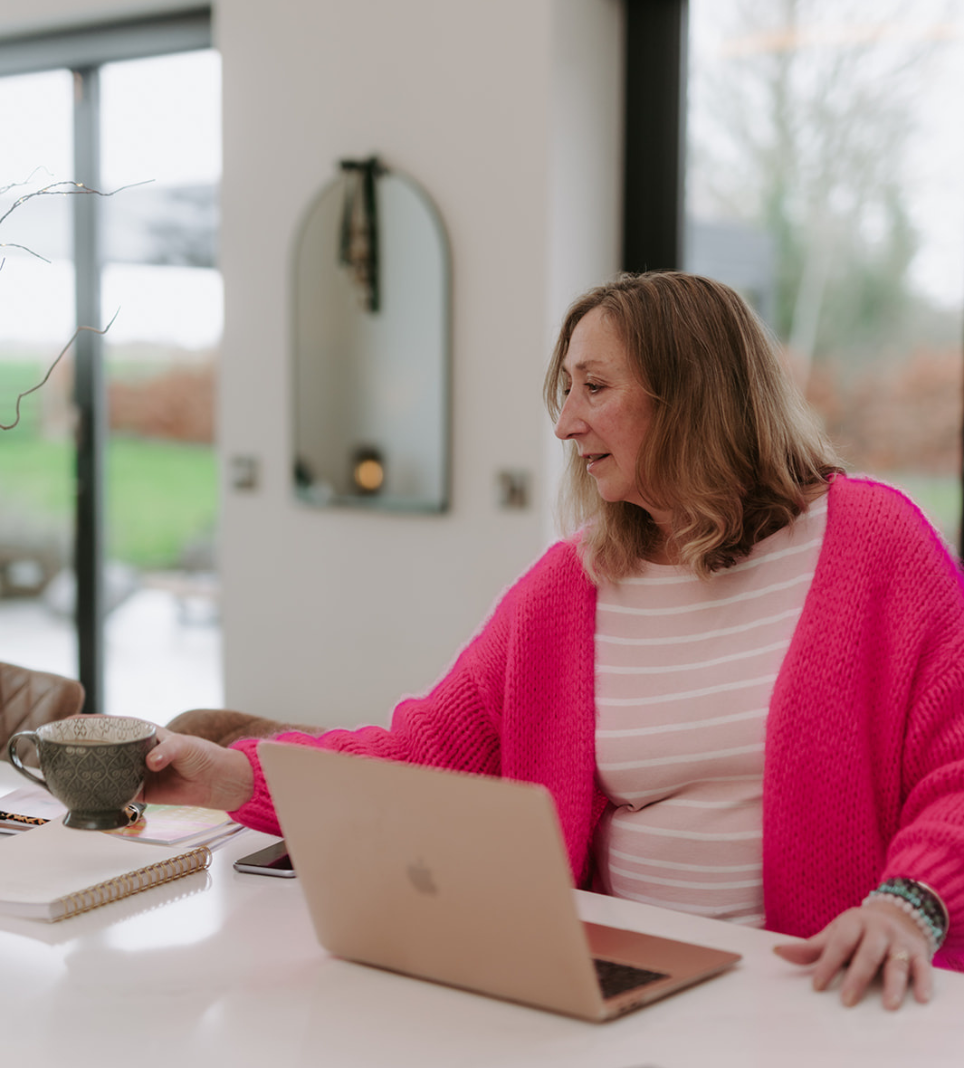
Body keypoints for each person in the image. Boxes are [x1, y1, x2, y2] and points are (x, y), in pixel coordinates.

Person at [145, 271, 964, 1011]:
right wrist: (227, 774)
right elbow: (423, 754)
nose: (567, 422)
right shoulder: (569, 586)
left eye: (595, 387)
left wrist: (908, 904)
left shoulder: (873, 544)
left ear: (692, 396)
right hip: (622, 976)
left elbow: (955, 770)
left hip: (820, 986)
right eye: (565, 390)